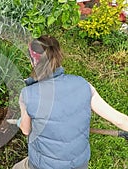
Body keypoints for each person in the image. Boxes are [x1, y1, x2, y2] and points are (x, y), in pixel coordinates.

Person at [12, 35, 128, 169]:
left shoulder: (28, 95)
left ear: (33, 62)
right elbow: (120, 120)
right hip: (80, 163)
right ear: (58, 57)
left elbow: (26, 130)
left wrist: (21, 121)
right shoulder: (83, 84)